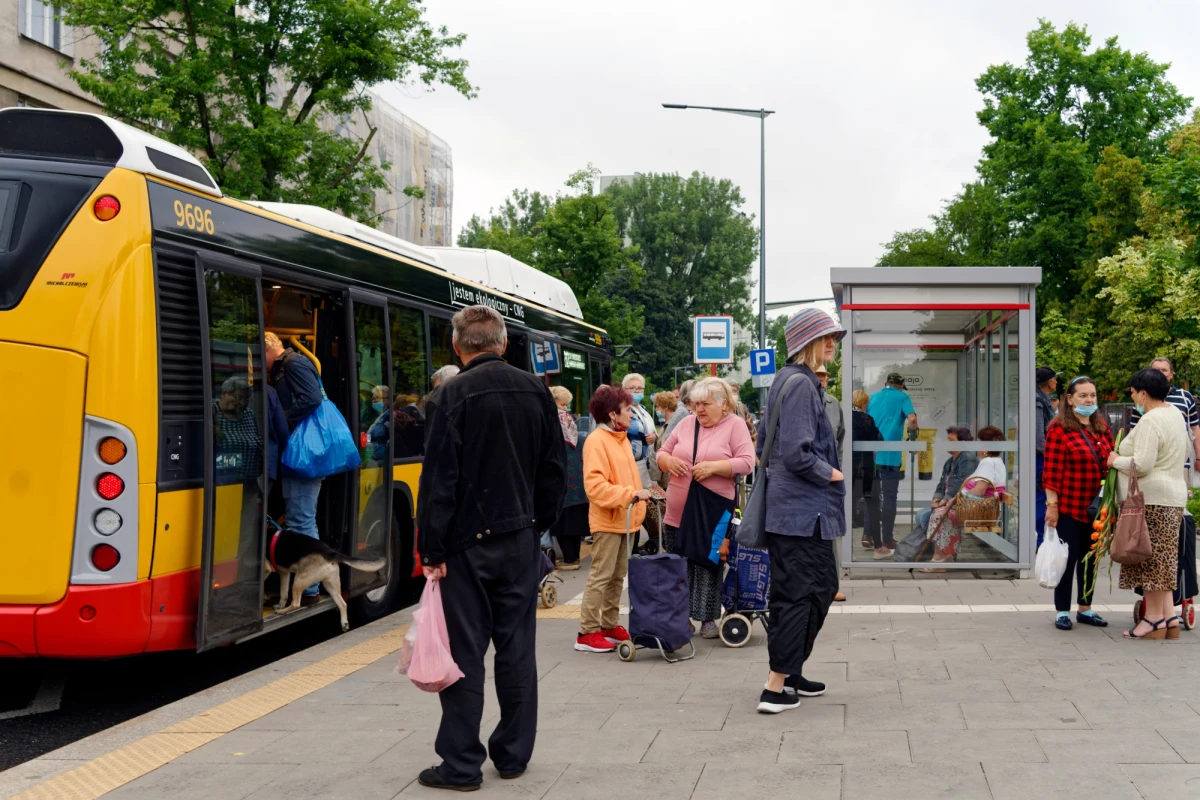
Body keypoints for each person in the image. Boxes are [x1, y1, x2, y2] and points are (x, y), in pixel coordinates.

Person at [414, 305, 566, 791]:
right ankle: (514, 755)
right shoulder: (536, 392)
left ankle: (460, 765)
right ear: (503, 344)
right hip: (520, 540)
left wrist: (430, 551)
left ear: (458, 348)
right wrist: (537, 525)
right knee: (517, 649)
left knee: (464, 654)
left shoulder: (448, 395)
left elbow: (438, 481)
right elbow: (555, 472)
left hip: (465, 547)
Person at [756, 308, 846, 714]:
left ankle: (791, 671)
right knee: (797, 594)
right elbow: (796, 453)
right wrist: (830, 473)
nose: (832, 344)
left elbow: (763, 447)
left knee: (820, 587)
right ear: (806, 342)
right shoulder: (802, 386)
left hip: (797, 512)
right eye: (825, 337)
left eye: (834, 337)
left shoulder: (786, 381)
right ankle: (775, 687)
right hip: (801, 514)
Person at [656, 377, 755, 638]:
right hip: (677, 512)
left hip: (714, 510)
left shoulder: (735, 425)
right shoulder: (687, 424)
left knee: (709, 564)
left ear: (724, 405)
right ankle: (682, 617)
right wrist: (669, 462)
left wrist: (715, 468)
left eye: (705, 404)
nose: (699, 409)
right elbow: (661, 452)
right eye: (695, 404)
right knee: (680, 564)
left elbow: (747, 463)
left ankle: (708, 618)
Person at [1108, 368, 1188, 640]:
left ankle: (1153, 620)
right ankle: (1169, 617)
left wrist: (1113, 461)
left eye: (1132, 393)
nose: (1133, 398)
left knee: (1152, 559)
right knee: (1165, 559)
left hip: (1152, 498)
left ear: (1143, 393)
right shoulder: (1175, 414)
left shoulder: (1151, 420)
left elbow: (1141, 464)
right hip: (1173, 496)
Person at [577, 385, 649, 654]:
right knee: (601, 576)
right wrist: (631, 494)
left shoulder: (619, 438)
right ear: (612, 414)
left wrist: (641, 494)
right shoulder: (598, 441)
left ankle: (608, 624)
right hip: (609, 518)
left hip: (626, 518)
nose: (632, 414)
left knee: (618, 576)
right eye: (628, 409)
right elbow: (595, 486)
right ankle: (587, 631)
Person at [1043, 376, 1114, 631]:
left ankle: (1086, 608)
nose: (1089, 400)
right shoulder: (1059, 428)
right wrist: (1052, 506)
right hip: (1069, 507)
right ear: (1070, 399)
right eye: (1083, 396)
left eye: (1092, 395)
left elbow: (1111, 459)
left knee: (1090, 559)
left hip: (1097, 508)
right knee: (1068, 559)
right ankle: (1062, 611)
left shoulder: (1101, 426)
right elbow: (1051, 472)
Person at [265, 331, 325, 600]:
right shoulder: (288, 364)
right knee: (299, 516)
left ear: (267, 350)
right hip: (299, 453)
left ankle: (310, 587)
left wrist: (282, 417)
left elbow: (312, 399)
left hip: (305, 454)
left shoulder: (293, 363)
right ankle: (306, 585)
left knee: (301, 518)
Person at [922, 426, 1006, 571]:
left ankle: (938, 558)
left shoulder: (987, 462)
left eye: (980, 442)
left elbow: (979, 490)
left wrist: (957, 498)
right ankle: (945, 556)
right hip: (980, 506)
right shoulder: (994, 461)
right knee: (941, 512)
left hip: (978, 508)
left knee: (940, 514)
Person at [902, 427, 978, 562]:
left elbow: (961, 484)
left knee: (926, 516)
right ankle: (939, 550)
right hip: (947, 502)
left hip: (961, 502)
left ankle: (941, 552)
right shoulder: (950, 461)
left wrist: (943, 502)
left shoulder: (967, 458)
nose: (947, 442)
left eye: (951, 440)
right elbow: (942, 483)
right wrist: (936, 499)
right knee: (920, 515)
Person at [866, 372, 918, 552]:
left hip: (871, 455)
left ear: (886, 383)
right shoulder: (903, 396)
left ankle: (868, 534)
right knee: (889, 497)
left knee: (871, 496)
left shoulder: (873, 397)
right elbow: (912, 419)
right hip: (890, 456)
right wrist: (913, 434)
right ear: (901, 385)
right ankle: (887, 539)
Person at [1129, 357, 1200, 466]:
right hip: (1150, 460)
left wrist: (1198, 457)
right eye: (1156, 370)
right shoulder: (1142, 398)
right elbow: (1133, 429)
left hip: (1180, 461)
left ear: (1171, 374)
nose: (1160, 374)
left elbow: (1194, 428)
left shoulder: (1185, 396)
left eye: (1164, 370)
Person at [549, 386, 587, 570]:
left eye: (565, 404)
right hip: (577, 481)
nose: (564, 408)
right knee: (575, 520)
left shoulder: (551, 421)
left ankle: (570, 559)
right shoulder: (571, 422)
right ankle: (574, 557)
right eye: (562, 404)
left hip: (560, 480)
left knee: (563, 520)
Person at [621, 373, 659, 552]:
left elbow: (650, 429)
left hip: (644, 464)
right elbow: (630, 429)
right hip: (631, 464)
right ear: (624, 389)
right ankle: (632, 545)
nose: (636, 391)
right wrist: (645, 439)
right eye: (632, 388)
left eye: (639, 388)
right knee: (635, 501)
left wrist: (654, 436)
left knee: (641, 504)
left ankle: (635, 544)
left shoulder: (642, 408)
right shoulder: (623, 409)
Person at [851, 390, 881, 549]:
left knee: (851, 497)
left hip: (850, 467)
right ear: (863, 403)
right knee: (872, 500)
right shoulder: (867, 419)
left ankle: (850, 524)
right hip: (866, 466)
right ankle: (873, 539)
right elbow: (879, 439)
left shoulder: (846, 418)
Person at [1035, 366, 1058, 548]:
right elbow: (1038, 436)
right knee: (1040, 498)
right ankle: (1040, 540)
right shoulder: (1038, 401)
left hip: (1042, 457)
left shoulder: (1043, 399)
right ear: (1049, 381)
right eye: (1055, 379)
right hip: (1040, 458)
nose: (1056, 382)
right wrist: (1050, 454)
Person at [814, 365, 845, 455]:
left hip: (831, 466)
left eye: (820, 381)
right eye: (813, 380)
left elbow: (840, 438)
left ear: (826, 382)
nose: (816, 384)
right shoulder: (801, 403)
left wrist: (838, 466)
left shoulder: (834, 403)